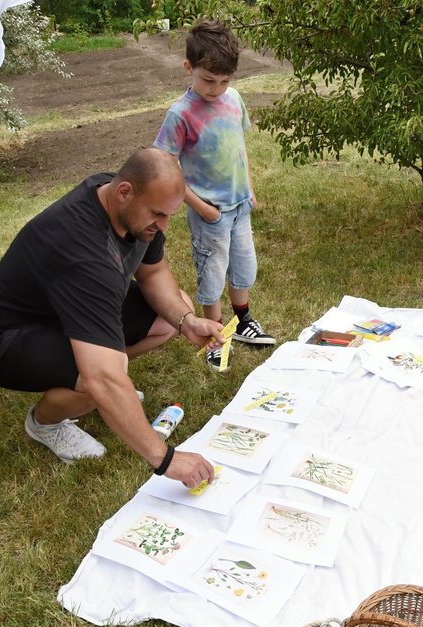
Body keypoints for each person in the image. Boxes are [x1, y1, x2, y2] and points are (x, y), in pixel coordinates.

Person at [0, 149, 222, 489]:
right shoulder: (84, 255)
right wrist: (166, 459)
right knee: (98, 382)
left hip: (60, 309)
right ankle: (45, 423)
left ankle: (106, 382)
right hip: (2, 339)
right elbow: (101, 378)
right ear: (125, 192)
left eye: (170, 215)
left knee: (167, 318)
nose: (163, 226)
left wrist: (187, 321)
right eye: (157, 214)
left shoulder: (118, 197)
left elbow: (154, 271)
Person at [153, 20, 276, 373]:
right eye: (209, 80)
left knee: (243, 266)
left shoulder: (233, 98)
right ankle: (215, 334)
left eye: (225, 81)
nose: (217, 89)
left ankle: (243, 321)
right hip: (210, 212)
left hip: (239, 206)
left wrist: (248, 186)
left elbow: (240, 148)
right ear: (188, 67)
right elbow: (166, 168)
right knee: (212, 274)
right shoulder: (180, 114)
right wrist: (202, 208)